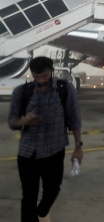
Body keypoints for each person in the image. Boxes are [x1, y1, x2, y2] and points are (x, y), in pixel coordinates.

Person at [8, 56, 83, 222]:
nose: (40, 81)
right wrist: (24, 121)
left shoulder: (65, 89)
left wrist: (78, 147)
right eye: (36, 77)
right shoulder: (21, 92)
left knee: (53, 190)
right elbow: (12, 122)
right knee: (28, 196)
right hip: (28, 152)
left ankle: (42, 211)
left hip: (54, 151)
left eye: (44, 76)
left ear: (52, 72)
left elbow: (75, 119)